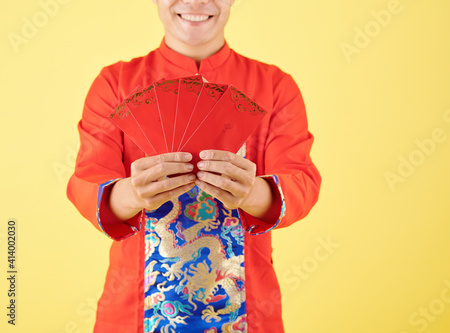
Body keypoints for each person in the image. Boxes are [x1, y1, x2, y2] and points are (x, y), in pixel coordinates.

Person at [67, 0, 321, 332]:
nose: (196, 2)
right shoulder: (115, 83)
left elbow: (300, 180)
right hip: (133, 312)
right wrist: (133, 194)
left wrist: (254, 191)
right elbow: (87, 180)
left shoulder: (274, 86)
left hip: (250, 311)